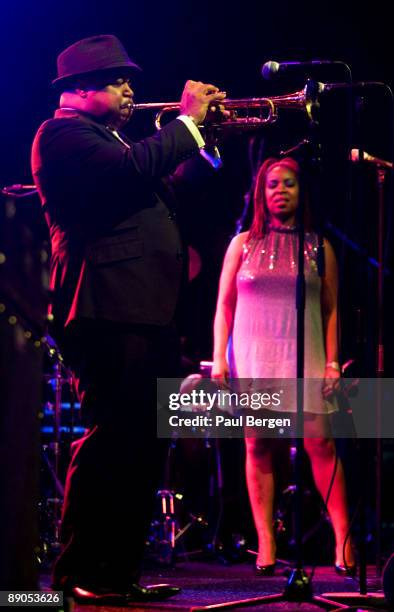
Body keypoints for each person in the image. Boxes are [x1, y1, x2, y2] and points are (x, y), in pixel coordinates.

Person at [31, 34, 226, 605]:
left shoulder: (113, 140)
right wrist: (185, 124)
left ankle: (116, 572)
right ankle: (75, 575)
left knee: (143, 445)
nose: (130, 91)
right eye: (119, 81)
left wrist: (203, 140)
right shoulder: (62, 135)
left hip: (145, 311)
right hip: (105, 309)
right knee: (112, 440)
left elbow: (165, 185)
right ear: (79, 89)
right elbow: (131, 170)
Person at [212, 156, 355, 576]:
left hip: (305, 352)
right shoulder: (241, 244)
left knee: (320, 444)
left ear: (301, 190)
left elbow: (331, 311)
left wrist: (332, 362)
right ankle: (266, 542)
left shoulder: (319, 246)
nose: (280, 191)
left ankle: (343, 540)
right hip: (254, 353)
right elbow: (224, 305)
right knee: (258, 445)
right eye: (273, 184)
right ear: (261, 192)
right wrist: (220, 355)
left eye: (289, 183)